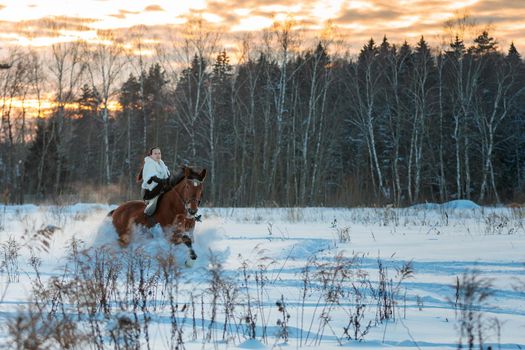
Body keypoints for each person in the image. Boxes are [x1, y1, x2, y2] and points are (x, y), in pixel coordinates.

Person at [138, 147, 171, 219]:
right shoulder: (150, 163)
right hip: (149, 191)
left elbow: (167, 176)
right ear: (151, 155)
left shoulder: (161, 163)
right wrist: (163, 181)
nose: (158, 155)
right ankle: (147, 216)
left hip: (160, 188)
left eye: (159, 153)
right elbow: (153, 177)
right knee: (154, 205)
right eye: (155, 153)